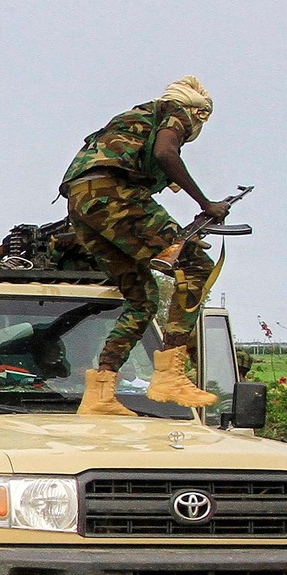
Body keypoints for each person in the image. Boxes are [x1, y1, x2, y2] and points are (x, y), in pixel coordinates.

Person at [63, 76, 230, 416]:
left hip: (82, 204)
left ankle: (100, 392)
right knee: (195, 263)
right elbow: (165, 152)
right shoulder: (176, 113)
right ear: (198, 113)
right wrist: (206, 204)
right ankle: (170, 374)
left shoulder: (139, 119)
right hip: (111, 193)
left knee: (143, 299)